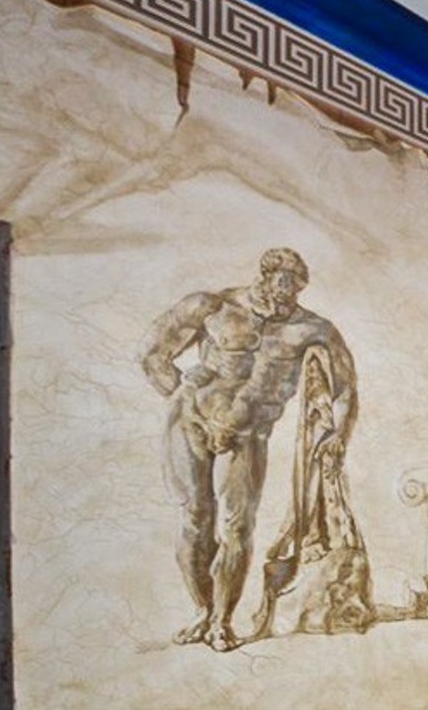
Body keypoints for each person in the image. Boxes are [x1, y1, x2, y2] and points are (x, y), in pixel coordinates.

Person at [139, 247, 357, 652]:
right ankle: (202, 611)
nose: (287, 293)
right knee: (195, 517)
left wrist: (337, 436)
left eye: (296, 285)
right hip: (191, 422)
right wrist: (184, 395)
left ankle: (222, 620)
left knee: (238, 526)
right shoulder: (212, 306)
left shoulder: (314, 329)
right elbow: (151, 353)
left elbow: (345, 389)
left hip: (248, 433)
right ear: (264, 276)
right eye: (282, 282)